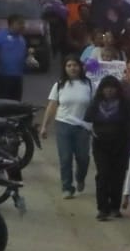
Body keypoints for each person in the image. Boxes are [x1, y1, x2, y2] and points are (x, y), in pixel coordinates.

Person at [40, 55, 94, 199]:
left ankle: (80, 177)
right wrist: (45, 126)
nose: (72, 68)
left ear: (80, 67)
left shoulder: (88, 84)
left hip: (83, 126)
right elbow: (52, 106)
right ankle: (67, 187)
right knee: (65, 158)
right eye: (69, 65)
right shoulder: (59, 85)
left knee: (83, 158)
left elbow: (95, 106)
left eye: (75, 65)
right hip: (63, 124)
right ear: (65, 68)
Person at [84, 75, 130, 221]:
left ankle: (115, 207)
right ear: (102, 89)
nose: (110, 91)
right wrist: (92, 132)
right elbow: (87, 120)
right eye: (107, 88)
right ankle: (102, 208)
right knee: (103, 174)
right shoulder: (95, 103)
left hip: (120, 144)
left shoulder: (124, 104)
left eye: (112, 88)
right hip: (100, 144)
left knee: (118, 176)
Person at [0, 14, 29, 101]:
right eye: (20, 24)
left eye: (23, 24)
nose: (23, 26)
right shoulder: (1, 35)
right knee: (3, 102)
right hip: (4, 76)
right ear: (12, 24)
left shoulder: (22, 39)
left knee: (16, 102)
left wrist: (28, 62)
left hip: (17, 77)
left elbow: (23, 56)